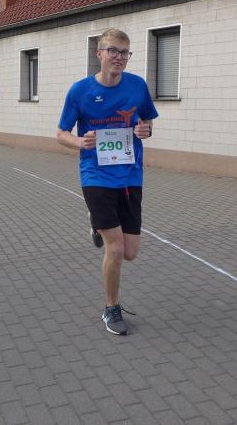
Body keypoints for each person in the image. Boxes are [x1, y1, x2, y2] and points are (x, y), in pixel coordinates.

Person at [56, 28, 158, 336]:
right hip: (96, 175)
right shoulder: (80, 91)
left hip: (130, 174)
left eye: (124, 52)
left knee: (130, 252)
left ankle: (95, 224)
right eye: (112, 50)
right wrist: (80, 142)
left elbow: (146, 121)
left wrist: (145, 130)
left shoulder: (137, 86)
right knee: (115, 248)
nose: (119, 57)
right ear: (99, 54)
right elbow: (60, 133)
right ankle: (111, 307)